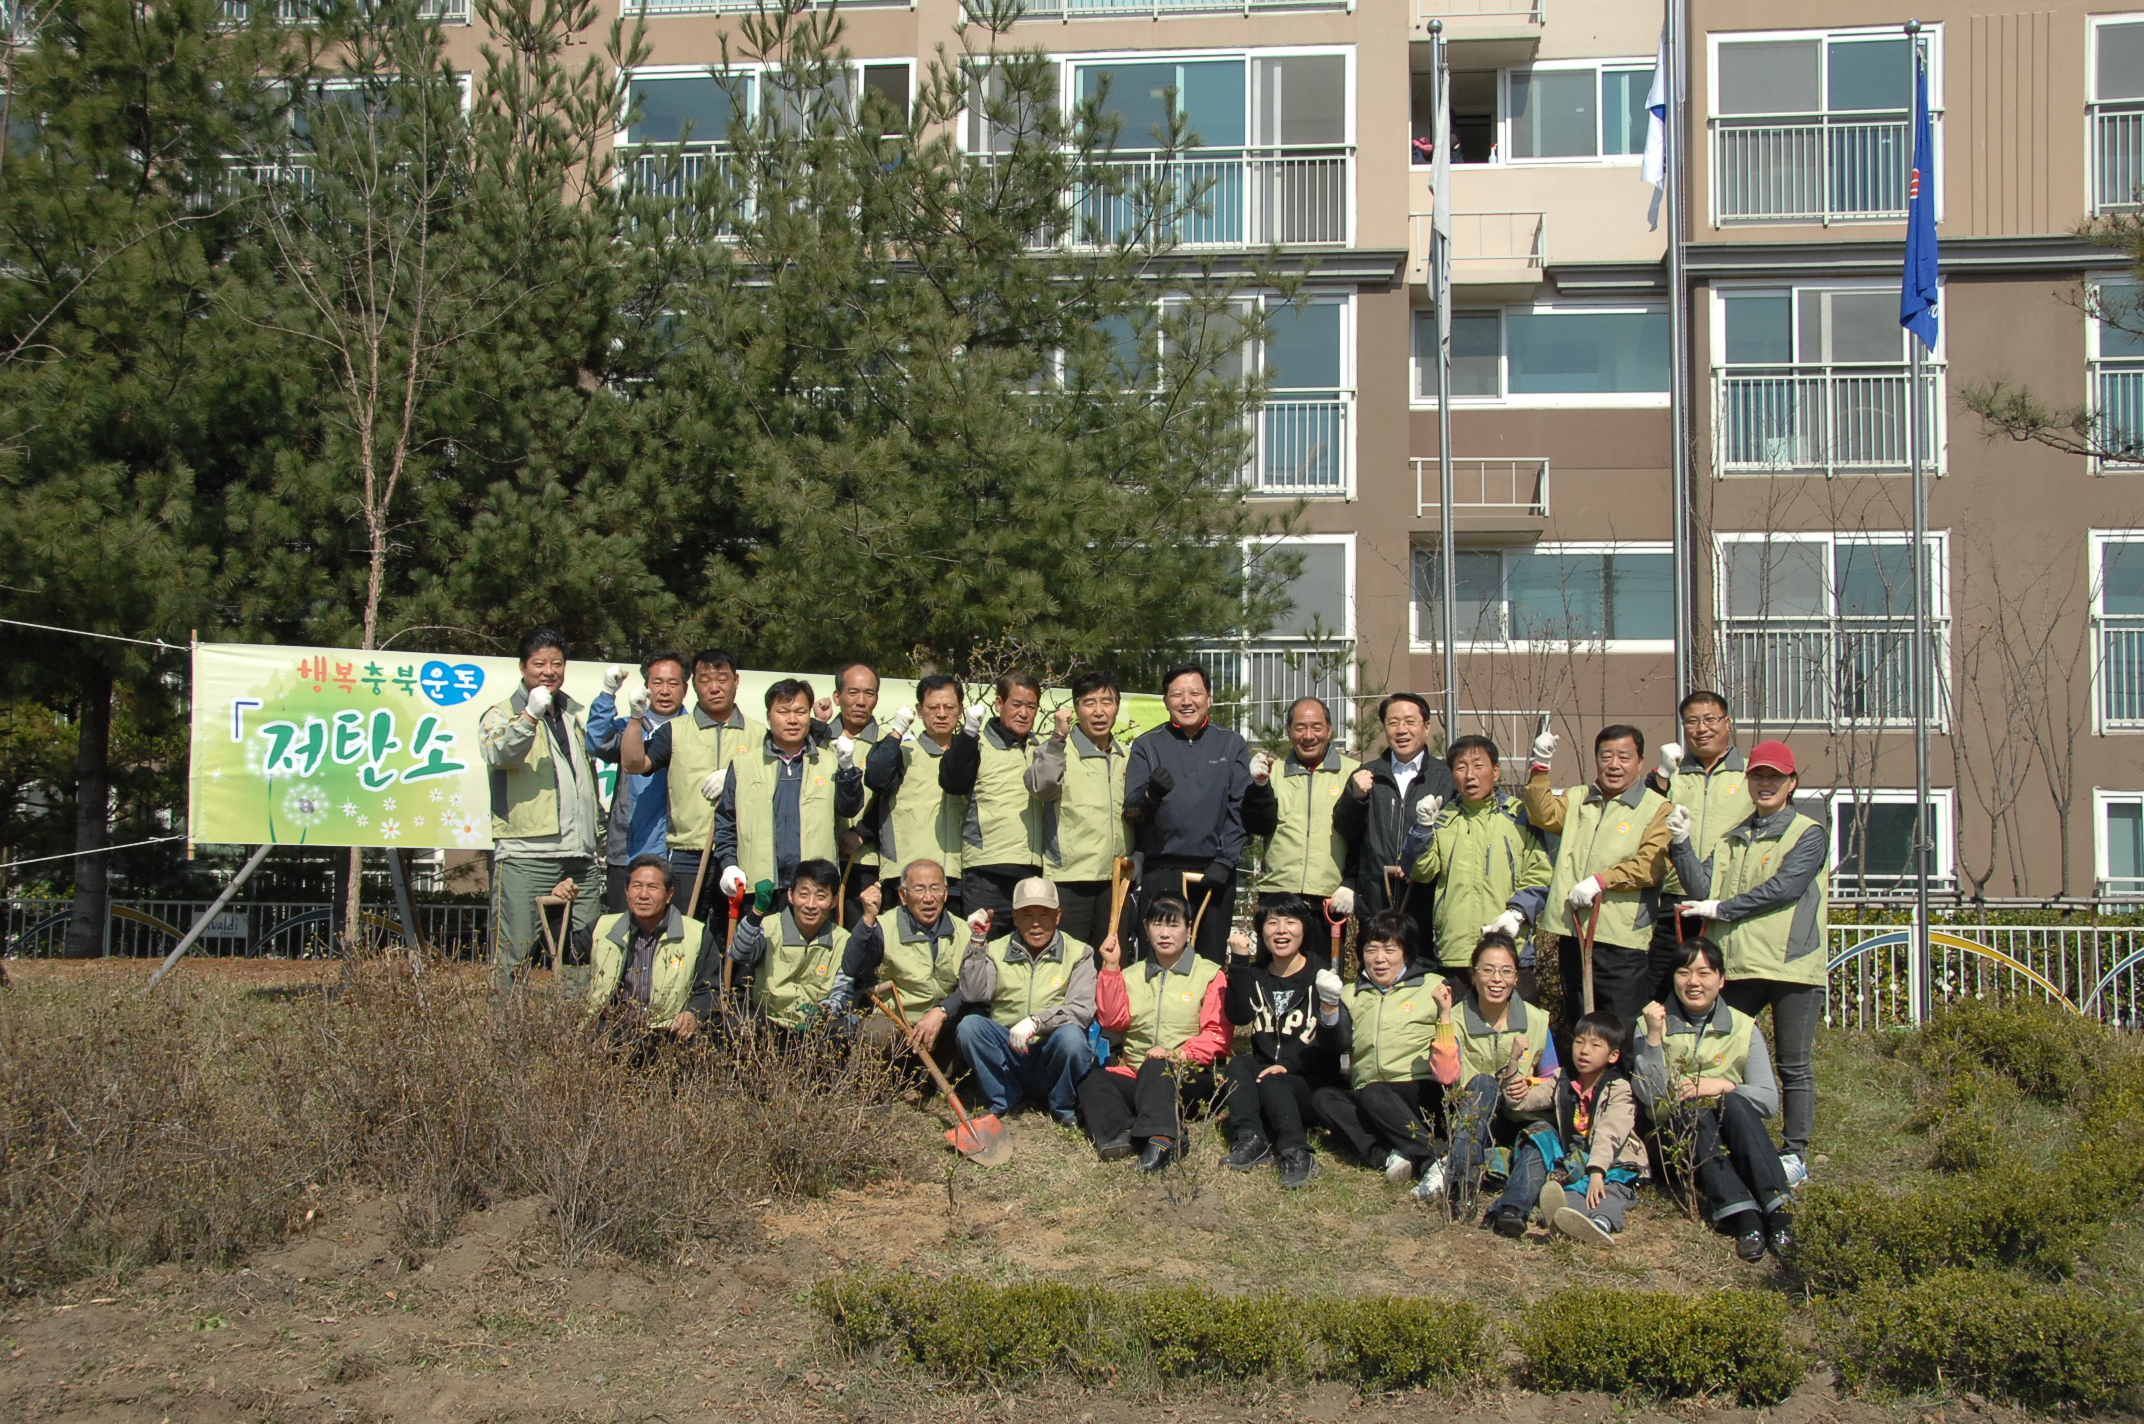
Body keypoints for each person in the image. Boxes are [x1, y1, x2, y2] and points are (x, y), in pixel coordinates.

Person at [1665, 739, 1825, 1188]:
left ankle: (1795, 1153)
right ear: (1747, 781)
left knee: (1793, 1063)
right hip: (1736, 964)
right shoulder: (1734, 834)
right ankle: (1719, 1139)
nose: (1766, 784)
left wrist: (1725, 909)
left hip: (1792, 964)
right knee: (1721, 1056)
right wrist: (1680, 845)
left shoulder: (1808, 832)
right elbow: (1701, 889)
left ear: (1791, 783)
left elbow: (1786, 888)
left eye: (1775, 777)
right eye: (1758, 776)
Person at [1635, 939, 1794, 1264]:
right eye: (1684, 972)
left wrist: (1723, 1085)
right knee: (1690, 1109)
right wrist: (1652, 1038)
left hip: (1735, 1139)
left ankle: (1779, 1211)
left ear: (1721, 979)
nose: (1693, 982)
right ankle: (1744, 1217)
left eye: (1704, 973)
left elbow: (1767, 1101)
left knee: (1733, 1101)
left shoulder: (1744, 1027)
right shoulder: (1650, 1023)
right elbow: (1650, 1097)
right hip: (1674, 1145)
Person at [1522, 723, 1672, 1049]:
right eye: (1606, 756)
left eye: (1624, 757)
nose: (1614, 765)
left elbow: (1651, 865)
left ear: (1640, 762)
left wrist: (1602, 881)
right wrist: (1540, 768)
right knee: (1581, 1025)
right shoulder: (1579, 798)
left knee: (1621, 1028)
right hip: (1573, 932)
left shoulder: (1656, 808)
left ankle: (1626, 1095)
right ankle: (1584, 1095)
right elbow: (1541, 813)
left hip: (1621, 940)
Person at [480, 628, 602, 998]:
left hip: (579, 855)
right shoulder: (502, 713)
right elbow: (498, 753)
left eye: (556, 663)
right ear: (522, 667)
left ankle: (574, 1038)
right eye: (539, 664)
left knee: (582, 954)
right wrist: (529, 717)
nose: (549, 671)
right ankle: (507, 1045)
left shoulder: (573, 715)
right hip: (525, 855)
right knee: (515, 954)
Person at [1081, 894, 1231, 1171]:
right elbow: (1112, 1021)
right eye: (1157, 925)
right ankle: (1123, 1134)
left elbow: (1218, 1036)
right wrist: (1112, 968)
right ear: (1146, 927)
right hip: (1138, 1076)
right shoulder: (1132, 975)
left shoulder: (1210, 974)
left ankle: (1164, 1137)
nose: (1164, 934)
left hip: (1188, 1078)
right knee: (1091, 1079)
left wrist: (1178, 1054)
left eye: (1174, 925)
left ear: (1188, 929)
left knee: (1156, 1066)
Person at [1423, 932, 1561, 1223]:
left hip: (1520, 1115)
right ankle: (1461, 1185)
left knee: (1542, 1136)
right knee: (1484, 1081)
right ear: (1473, 975)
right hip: (1473, 1123)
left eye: (1506, 971)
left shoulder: (1536, 1020)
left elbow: (1552, 1080)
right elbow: (1446, 1076)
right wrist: (1444, 1018)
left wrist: (1528, 1086)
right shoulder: (1457, 1018)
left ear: (1515, 978)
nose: (1496, 979)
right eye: (1487, 970)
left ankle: (1512, 1209)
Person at [1399, 734, 1551, 991]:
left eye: (1478, 766)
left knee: (1514, 1028)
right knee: (1454, 1028)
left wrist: (1518, 912)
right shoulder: (1443, 818)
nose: (1469, 775)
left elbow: (1542, 873)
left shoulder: (1520, 817)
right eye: (1461, 767)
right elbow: (1420, 871)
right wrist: (1422, 830)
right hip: (1455, 950)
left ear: (1496, 771)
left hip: (1510, 949)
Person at [619, 648, 763, 920]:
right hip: (687, 852)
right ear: (693, 685)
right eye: (705, 680)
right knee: (682, 933)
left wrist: (736, 778)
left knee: (733, 940)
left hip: (741, 853)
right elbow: (634, 764)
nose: (714, 688)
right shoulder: (674, 731)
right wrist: (636, 718)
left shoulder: (759, 734)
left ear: (736, 680)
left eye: (722, 679)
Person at [1123, 664, 1250, 964]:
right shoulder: (1147, 745)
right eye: (1177, 694)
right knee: (1157, 960)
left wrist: (1225, 860)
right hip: (1161, 871)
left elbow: (1240, 808)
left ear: (1209, 698)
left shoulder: (1231, 744)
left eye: (1195, 693)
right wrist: (1150, 795)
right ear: (1166, 701)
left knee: (1209, 962)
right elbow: (1131, 811)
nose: (1186, 701)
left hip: (1213, 872)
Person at [950, 876, 1097, 1128]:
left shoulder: (1080, 953)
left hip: (1050, 1049)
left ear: (1058, 916)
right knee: (970, 1026)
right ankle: (1004, 1096)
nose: (1036, 924)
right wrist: (976, 943)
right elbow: (973, 994)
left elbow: (1081, 1010)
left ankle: (1062, 1105)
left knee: (1072, 1037)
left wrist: (1037, 1022)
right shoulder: (995, 950)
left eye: (1045, 914)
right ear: (1015, 917)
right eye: (1027, 915)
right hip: (1009, 1048)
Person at [1310, 911, 1444, 1187]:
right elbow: (1336, 1045)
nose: (1379, 959)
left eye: (1389, 949)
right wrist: (1329, 1005)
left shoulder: (1433, 987)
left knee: (1374, 1093)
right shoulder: (1351, 992)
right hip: (1369, 1091)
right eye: (1371, 949)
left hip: (1417, 1090)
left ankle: (1434, 1160)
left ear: (1406, 953)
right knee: (1325, 1099)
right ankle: (1390, 1155)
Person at [712, 679, 867, 910]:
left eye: (800, 712)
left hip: (814, 891)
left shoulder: (830, 762)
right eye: (783, 711)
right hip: (760, 886)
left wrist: (847, 770)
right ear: (769, 716)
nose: (792, 720)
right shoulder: (742, 765)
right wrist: (729, 865)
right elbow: (726, 823)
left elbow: (849, 808)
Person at [1221, 896, 1340, 1189]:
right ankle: (1251, 1139)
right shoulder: (1258, 975)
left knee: (1275, 1080)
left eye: (1290, 922)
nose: (1281, 930)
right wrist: (1238, 963)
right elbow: (1238, 1015)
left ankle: (1296, 1150)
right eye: (1272, 923)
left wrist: (1287, 1065)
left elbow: (1331, 1044)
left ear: (1304, 929)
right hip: (1266, 1078)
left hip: (1308, 1082)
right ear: (1261, 932)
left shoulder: (1322, 975)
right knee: (1239, 1064)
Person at [1503, 1008, 1648, 1247]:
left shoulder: (1619, 1088)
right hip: (1577, 1160)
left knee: (1611, 1193)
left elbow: (1609, 1133)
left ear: (1613, 1056)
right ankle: (1566, 1222)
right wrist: (1512, 1062)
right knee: (1569, 1195)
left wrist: (1597, 1172)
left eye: (1595, 1045)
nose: (1584, 1051)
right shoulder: (1563, 1079)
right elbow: (1519, 1102)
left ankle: (1601, 1224)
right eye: (1579, 1042)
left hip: (1614, 1161)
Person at [1333, 694, 1458, 959]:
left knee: (1421, 980)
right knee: (1376, 974)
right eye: (1393, 722)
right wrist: (1356, 797)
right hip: (1376, 900)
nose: (1401, 730)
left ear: (1426, 726)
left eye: (1410, 722)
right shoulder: (1366, 774)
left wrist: (1423, 865)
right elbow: (1347, 832)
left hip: (1426, 902)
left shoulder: (1445, 778)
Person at [1649, 691, 1753, 1000]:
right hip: (1674, 901)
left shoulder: (1750, 774)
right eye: (1692, 721)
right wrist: (1662, 776)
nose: (1701, 728)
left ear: (1727, 724)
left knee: (1724, 993)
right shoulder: (1674, 774)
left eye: (1710, 720)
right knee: (1661, 992)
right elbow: (1647, 813)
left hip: (1725, 902)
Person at [830, 857, 966, 1069]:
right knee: (875, 1033)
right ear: (903, 895)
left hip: (942, 1021)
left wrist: (942, 1011)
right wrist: (867, 919)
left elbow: (971, 987)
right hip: (899, 1022)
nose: (928, 898)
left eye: (935, 888)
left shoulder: (964, 931)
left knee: (973, 1024)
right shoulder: (884, 926)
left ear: (946, 892)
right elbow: (852, 967)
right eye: (919, 889)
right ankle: (889, 1076)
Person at [1028, 671, 1130, 949]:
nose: (1099, 711)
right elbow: (1042, 788)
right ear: (1076, 708)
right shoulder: (1058, 749)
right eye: (1089, 702)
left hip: (1115, 880)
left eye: (1107, 702)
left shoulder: (1127, 756)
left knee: (1110, 964)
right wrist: (1058, 739)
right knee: (1070, 964)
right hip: (1069, 878)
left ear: (1117, 706)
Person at [939, 673, 1045, 938]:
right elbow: (952, 781)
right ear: (999, 704)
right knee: (982, 952)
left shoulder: (1042, 748)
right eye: (1016, 704)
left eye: (1031, 707)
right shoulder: (977, 745)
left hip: (1034, 870)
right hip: (986, 870)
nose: (1023, 713)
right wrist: (968, 733)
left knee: (1025, 956)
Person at [1242, 696, 1360, 926]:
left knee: (1326, 964)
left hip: (1329, 899)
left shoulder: (1353, 774)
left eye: (1317, 727)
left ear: (1330, 729)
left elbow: (1362, 839)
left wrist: (1350, 884)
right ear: (1288, 731)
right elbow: (1257, 826)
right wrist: (1258, 787)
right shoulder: (1272, 773)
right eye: (1300, 728)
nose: (1308, 736)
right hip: (1277, 896)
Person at [578, 854, 718, 1046]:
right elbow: (561, 951)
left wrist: (693, 1014)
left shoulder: (696, 934)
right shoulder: (602, 929)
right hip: (611, 1032)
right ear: (626, 891)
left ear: (669, 894)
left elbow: (712, 989)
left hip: (669, 1034)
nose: (643, 895)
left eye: (652, 887)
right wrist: (560, 907)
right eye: (637, 886)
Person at [586, 653, 688, 912]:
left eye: (673, 683)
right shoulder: (627, 728)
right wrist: (608, 694)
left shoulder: (695, 732)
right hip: (628, 853)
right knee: (626, 935)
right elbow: (597, 742)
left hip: (679, 854)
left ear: (686, 689)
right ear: (646, 687)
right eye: (657, 682)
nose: (665, 691)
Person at [726, 858, 879, 1031]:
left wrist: (823, 1011)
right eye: (803, 895)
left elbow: (842, 992)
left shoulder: (843, 940)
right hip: (768, 1022)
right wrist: (756, 912)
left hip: (816, 1028)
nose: (811, 905)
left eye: (821, 896)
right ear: (791, 895)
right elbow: (739, 954)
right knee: (737, 1024)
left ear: (835, 900)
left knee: (845, 1029)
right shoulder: (769, 927)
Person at [866, 673, 968, 907]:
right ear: (919, 711)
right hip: (903, 874)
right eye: (933, 707)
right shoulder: (902, 752)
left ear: (961, 710)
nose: (941, 714)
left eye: (949, 707)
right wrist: (896, 732)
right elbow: (875, 778)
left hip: (955, 873)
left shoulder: (972, 756)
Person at [813, 662, 885, 930]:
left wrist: (862, 833)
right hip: (817, 856)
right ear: (837, 696)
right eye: (853, 692)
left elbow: (892, 803)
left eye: (869, 693)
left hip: (864, 861)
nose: (861, 701)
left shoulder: (887, 745)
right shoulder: (817, 742)